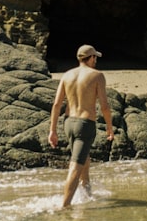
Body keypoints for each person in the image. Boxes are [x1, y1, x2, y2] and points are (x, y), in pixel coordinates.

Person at [48, 44, 115, 207]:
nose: (96, 61)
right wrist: (109, 127)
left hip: (68, 123)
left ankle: (86, 193)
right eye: (95, 58)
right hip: (85, 125)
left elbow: (57, 104)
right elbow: (105, 106)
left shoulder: (67, 75)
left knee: (83, 157)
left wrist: (52, 131)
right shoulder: (97, 75)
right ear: (91, 58)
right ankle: (64, 207)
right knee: (75, 167)